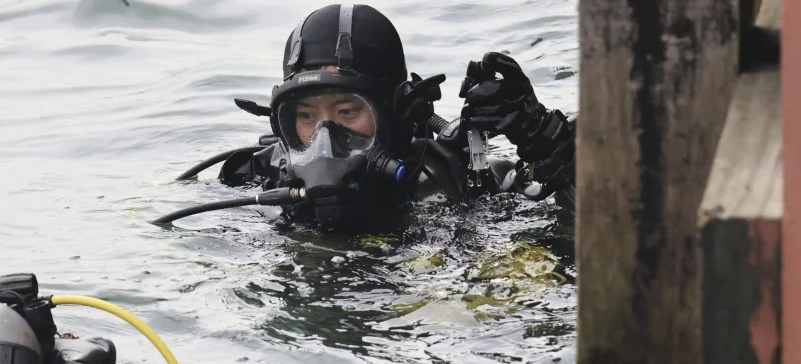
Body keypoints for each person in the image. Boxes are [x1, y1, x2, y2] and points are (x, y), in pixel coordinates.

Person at [168, 3, 576, 231]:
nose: (325, 138)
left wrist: (545, 140)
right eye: (306, 117)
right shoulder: (257, 181)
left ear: (393, 113)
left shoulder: (457, 184)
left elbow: (609, 234)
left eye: (347, 111)